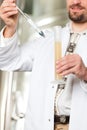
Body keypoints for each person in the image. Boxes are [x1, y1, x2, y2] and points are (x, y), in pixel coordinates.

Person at [0, 0, 87, 130]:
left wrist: (85, 73)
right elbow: (8, 61)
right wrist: (11, 28)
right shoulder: (47, 39)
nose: (75, 1)